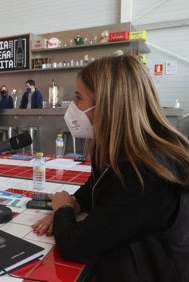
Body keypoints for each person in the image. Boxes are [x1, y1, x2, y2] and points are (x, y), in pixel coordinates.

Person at [32, 54, 189, 281]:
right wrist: (73, 204)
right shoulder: (123, 151)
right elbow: (97, 185)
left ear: (108, 104)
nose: (73, 106)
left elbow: (76, 246)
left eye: (79, 97)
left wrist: (62, 209)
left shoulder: (146, 174)